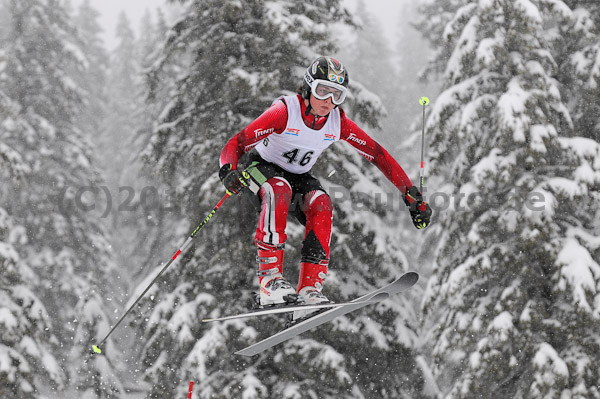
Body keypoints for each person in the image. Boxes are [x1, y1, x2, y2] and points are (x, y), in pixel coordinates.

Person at [219, 56, 431, 319]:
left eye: (337, 95)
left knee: (321, 202)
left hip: (298, 176)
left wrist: (410, 193)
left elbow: (376, 154)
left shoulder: (336, 122)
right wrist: (228, 170)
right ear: (308, 88)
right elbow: (236, 144)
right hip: (259, 167)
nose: (329, 101)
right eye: (323, 91)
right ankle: (270, 281)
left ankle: (309, 289)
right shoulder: (285, 112)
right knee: (279, 189)